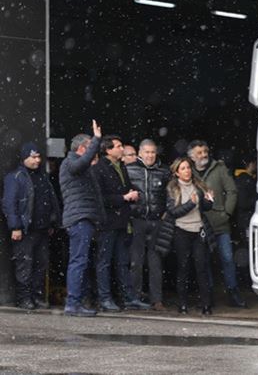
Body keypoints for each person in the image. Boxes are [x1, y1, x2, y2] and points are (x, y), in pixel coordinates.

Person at [92, 135, 150, 312]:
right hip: (107, 222)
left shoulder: (121, 167)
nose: (121, 149)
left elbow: (124, 190)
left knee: (123, 261)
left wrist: (132, 195)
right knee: (104, 262)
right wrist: (123, 198)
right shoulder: (99, 169)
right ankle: (104, 298)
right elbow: (99, 197)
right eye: (118, 146)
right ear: (108, 150)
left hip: (122, 221)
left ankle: (128, 297)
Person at [187, 140, 246, 308]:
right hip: (199, 224)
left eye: (205, 151)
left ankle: (233, 292)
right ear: (191, 156)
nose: (203, 155)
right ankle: (208, 294)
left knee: (227, 259)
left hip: (221, 223)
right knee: (203, 260)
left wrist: (226, 213)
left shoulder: (219, 168)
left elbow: (232, 191)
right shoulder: (187, 170)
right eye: (199, 153)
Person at [2, 142, 60, 310]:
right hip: (26, 229)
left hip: (41, 229)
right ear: (24, 158)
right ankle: (24, 298)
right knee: (24, 265)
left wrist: (52, 222)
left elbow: (49, 201)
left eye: (38, 157)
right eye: (33, 157)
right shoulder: (16, 177)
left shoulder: (42, 177)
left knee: (40, 265)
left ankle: (36, 296)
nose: (37, 160)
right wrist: (15, 227)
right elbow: (9, 204)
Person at [59, 120, 105, 317]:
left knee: (81, 261)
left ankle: (76, 301)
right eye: (89, 148)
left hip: (84, 218)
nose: (92, 153)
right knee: (78, 261)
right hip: (80, 219)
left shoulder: (79, 166)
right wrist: (96, 139)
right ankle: (73, 303)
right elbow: (82, 163)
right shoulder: (71, 163)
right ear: (81, 148)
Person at [165, 157, 214, 315]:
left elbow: (205, 208)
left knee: (201, 268)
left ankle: (206, 305)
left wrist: (209, 201)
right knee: (183, 267)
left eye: (188, 168)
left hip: (198, 230)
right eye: (183, 169)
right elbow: (173, 212)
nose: (187, 171)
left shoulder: (198, 186)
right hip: (181, 231)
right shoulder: (173, 188)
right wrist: (190, 204)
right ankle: (183, 304)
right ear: (176, 173)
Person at [126, 139, 170, 310]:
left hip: (157, 220)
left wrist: (167, 211)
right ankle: (134, 297)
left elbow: (170, 194)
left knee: (155, 262)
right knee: (136, 261)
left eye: (153, 152)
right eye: (147, 152)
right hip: (136, 220)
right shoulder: (129, 170)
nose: (150, 155)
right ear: (140, 153)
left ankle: (156, 299)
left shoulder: (163, 172)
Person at [234, 156, 258, 243]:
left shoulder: (250, 179)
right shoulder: (244, 180)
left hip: (246, 219)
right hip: (245, 220)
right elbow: (243, 203)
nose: (257, 166)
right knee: (248, 243)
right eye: (255, 163)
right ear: (250, 164)